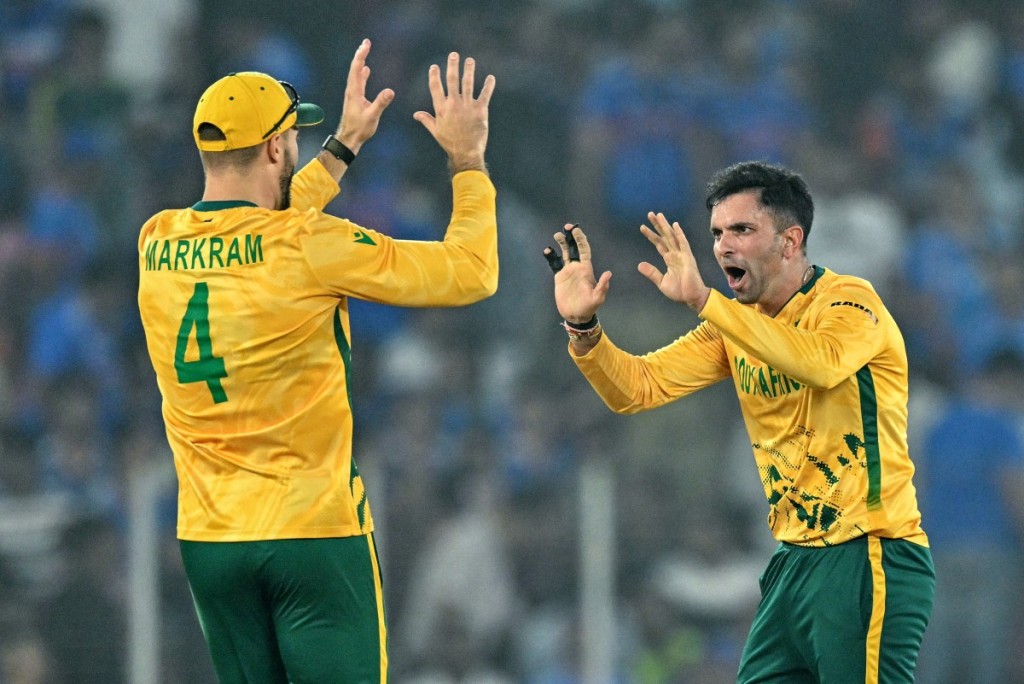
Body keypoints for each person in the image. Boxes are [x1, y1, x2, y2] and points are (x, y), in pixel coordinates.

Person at [137, 39, 497, 683]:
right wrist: (467, 162)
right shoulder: (309, 245)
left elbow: (255, 231)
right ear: (277, 148)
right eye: (295, 138)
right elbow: (472, 272)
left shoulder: (156, 241)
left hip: (210, 541)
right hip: (313, 537)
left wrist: (341, 148)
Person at [544, 161, 934, 683]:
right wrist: (583, 327)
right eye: (717, 234)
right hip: (791, 562)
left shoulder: (848, 302)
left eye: (743, 230)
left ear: (791, 241)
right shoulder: (736, 327)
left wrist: (707, 301)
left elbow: (819, 363)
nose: (724, 246)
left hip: (868, 554)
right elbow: (637, 388)